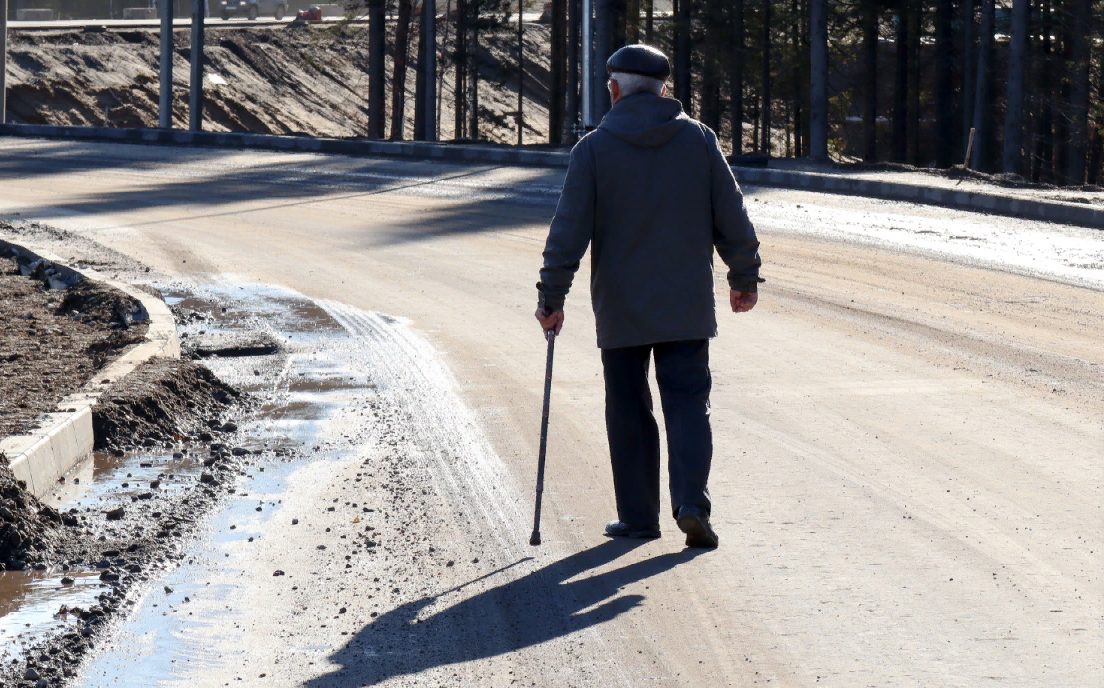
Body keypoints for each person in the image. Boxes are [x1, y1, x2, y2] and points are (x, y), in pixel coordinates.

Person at [534, 44, 763, 549]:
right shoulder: (699, 140)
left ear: (614, 89)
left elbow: (568, 231)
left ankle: (639, 519)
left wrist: (552, 296)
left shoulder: (594, 149)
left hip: (621, 308)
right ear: (664, 89)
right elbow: (732, 213)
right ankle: (690, 504)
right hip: (686, 305)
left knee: (628, 408)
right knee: (687, 404)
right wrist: (743, 276)